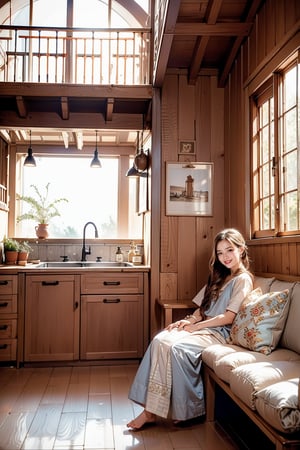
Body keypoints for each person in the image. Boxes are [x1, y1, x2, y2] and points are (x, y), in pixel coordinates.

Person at [127, 228, 253, 430]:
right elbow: (201, 308)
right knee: (160, 339)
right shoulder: (218, 277)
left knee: (177, 349)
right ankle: (152, 409)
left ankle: (177, 410)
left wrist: (197, 326)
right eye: (220, 253)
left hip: (220, 333)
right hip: (203, 327)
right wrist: (187, 321)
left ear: (242, 250)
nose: (225, 257)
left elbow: (229, 316)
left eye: (229, 250)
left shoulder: (242, 279)